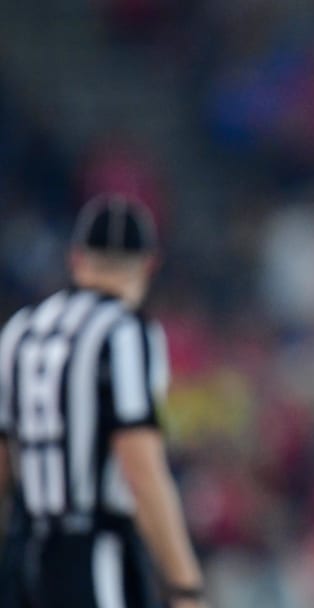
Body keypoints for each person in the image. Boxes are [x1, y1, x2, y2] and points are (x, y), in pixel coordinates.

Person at [0, 194, 207, 608]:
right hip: (94, 550)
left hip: (24, 553)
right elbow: (140, 465)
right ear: (150, 264)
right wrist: (185, 586)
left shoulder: (20, 331)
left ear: (77, 258)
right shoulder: (126, 332)